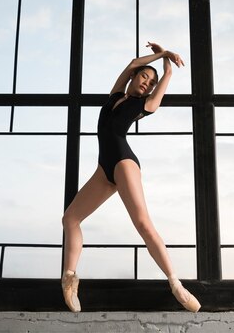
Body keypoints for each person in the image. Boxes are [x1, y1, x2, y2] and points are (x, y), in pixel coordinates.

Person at [61, 42, 201, 313]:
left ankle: (176, 284)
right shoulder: (114, 96)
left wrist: (166, 68)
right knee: (70, 218)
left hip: (124, 163)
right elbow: (132, 63)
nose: (147, 84)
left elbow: (162, 83)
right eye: (144, 78)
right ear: (135, 78)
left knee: (142, 223)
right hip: (104, 168)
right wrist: (160, 53)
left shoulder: (144, 104)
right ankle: (70, 279)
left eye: (151, 83)